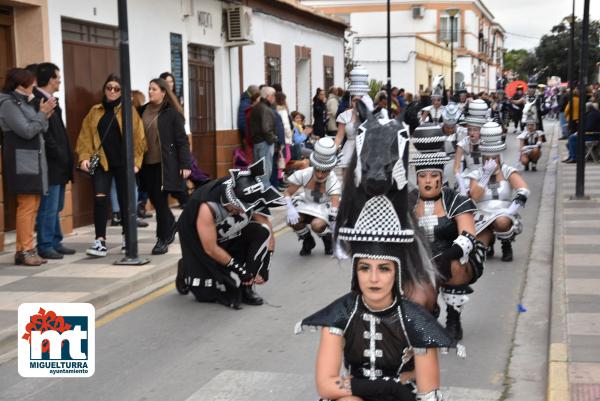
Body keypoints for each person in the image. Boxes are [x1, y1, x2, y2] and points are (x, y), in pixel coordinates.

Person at [296, 155, 459, 401]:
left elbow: (428, 393)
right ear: (355, 271)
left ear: (397, 272)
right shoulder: (340, 314)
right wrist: (390, 386)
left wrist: (390, 391)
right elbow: (327, 386)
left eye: (383, 269)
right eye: (364, 268)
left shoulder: (416, 320)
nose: (374, 278)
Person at [409, 123, 485, 341]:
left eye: (434, 175)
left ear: (441, 178)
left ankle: (453, 319)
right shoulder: (407, 202)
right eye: (423, 176)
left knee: (456, 264)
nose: (429, 181)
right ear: (417, 178)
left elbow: (468, 235)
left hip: (451, 260)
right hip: (420, 262)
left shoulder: (456, 200)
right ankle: (429, 310)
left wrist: (449, 254)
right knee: (415, 295)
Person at [175, 158, 282, 309]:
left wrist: (265, 266)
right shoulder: (206, 206)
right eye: (238, 208)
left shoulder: (252, 193)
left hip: (228, 231)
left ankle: (247, 287)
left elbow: (267, 229)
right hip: (200, 240)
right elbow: (211, 248)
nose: (241, 211)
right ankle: (186, 266)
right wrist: (240, 269)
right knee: (206, 294)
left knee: (261, 232)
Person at [75, 74, 147, 257]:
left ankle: (127, 238)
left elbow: (139, 139)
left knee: (125, 202)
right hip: (101, 163)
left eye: (117, 88)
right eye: (109, 88)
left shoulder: (129, 111)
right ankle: (100, 241)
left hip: (124, 164)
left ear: (122, 91)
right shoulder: (94, 111)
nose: (113, 91)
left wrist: (136, 163)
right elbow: (84, 137)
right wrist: (84, 157)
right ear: (104, 89)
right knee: (100, 200)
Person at [0, 68, 56, 266]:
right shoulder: (7, 103)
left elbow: (41, 128)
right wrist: (41, 114)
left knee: (34, 206)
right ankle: (25, 250)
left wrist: (44, 116)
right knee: (26, 206)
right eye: (31, 82)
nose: (34, 85)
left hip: (34, 160)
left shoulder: (25, 102)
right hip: (22, 161)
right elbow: (26, 131)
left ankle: (24, 249)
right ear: (20, 84)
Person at [137, 78, 192, 254]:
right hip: (146, 164)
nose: (150, 91)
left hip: (164, 165)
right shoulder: (142, 110)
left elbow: (182, 141)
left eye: (153, 89)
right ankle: (171, 226)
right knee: (155, 200)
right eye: (149, 88)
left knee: (160, 203)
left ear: (163, 92)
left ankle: (162, 239)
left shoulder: (171, 113)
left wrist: (185, 164)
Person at [30, 63, 76, 260]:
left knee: (56, 206)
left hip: (59, 162)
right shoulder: (38, 101)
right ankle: (45, 244)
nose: (59, 80)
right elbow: (45, 134)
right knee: (48, 206)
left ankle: (56, 241)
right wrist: (58, 153)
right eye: (57, 77)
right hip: (50, 163)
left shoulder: (51, 100)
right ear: (49, 79)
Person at [466, 122, 529, 262]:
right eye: (487, 158)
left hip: (503, 214)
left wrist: (510, 210)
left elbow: (524, 191)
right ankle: (489, 243)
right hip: (481, 216)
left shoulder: (507, 171)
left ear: (499, 157)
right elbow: (474, 197)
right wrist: (485, 177)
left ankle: (506, 244)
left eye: (494, 158)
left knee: (501, 222)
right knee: (478, 249)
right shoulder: (476, 174)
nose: (491, 161)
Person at [284, 137, 341, 256]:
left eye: (324, 171)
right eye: (317, 170)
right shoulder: (305, 174)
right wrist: (290, 208)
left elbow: (335, 207)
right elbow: (287, 192)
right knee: (292, 219)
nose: (320, 175)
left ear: (330, 169)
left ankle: (327, 239)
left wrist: (333, 227)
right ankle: (307, 240)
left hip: (324, 208)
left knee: (317, 225)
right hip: (307, 204)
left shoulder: (333, 182)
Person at [453, 100, 489, 194]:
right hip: (469, 174)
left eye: (475, 130)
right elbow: (456, 167)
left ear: (481, 130)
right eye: (469, 130)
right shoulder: (463, 143)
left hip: (485, 174)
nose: (471, 133)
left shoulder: (487, 142)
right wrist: (460, 182)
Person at [249, 86, 277, 186]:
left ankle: (260, 195)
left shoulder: (257, 107)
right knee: (265, 172)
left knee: (260, 171)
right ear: (268, 96)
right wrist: (273, 139)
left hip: (257, 142)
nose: (274, 97)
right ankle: (266, 196)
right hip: (265, 143)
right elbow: (267, 129)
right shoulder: (265, 109)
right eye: (273, 95)